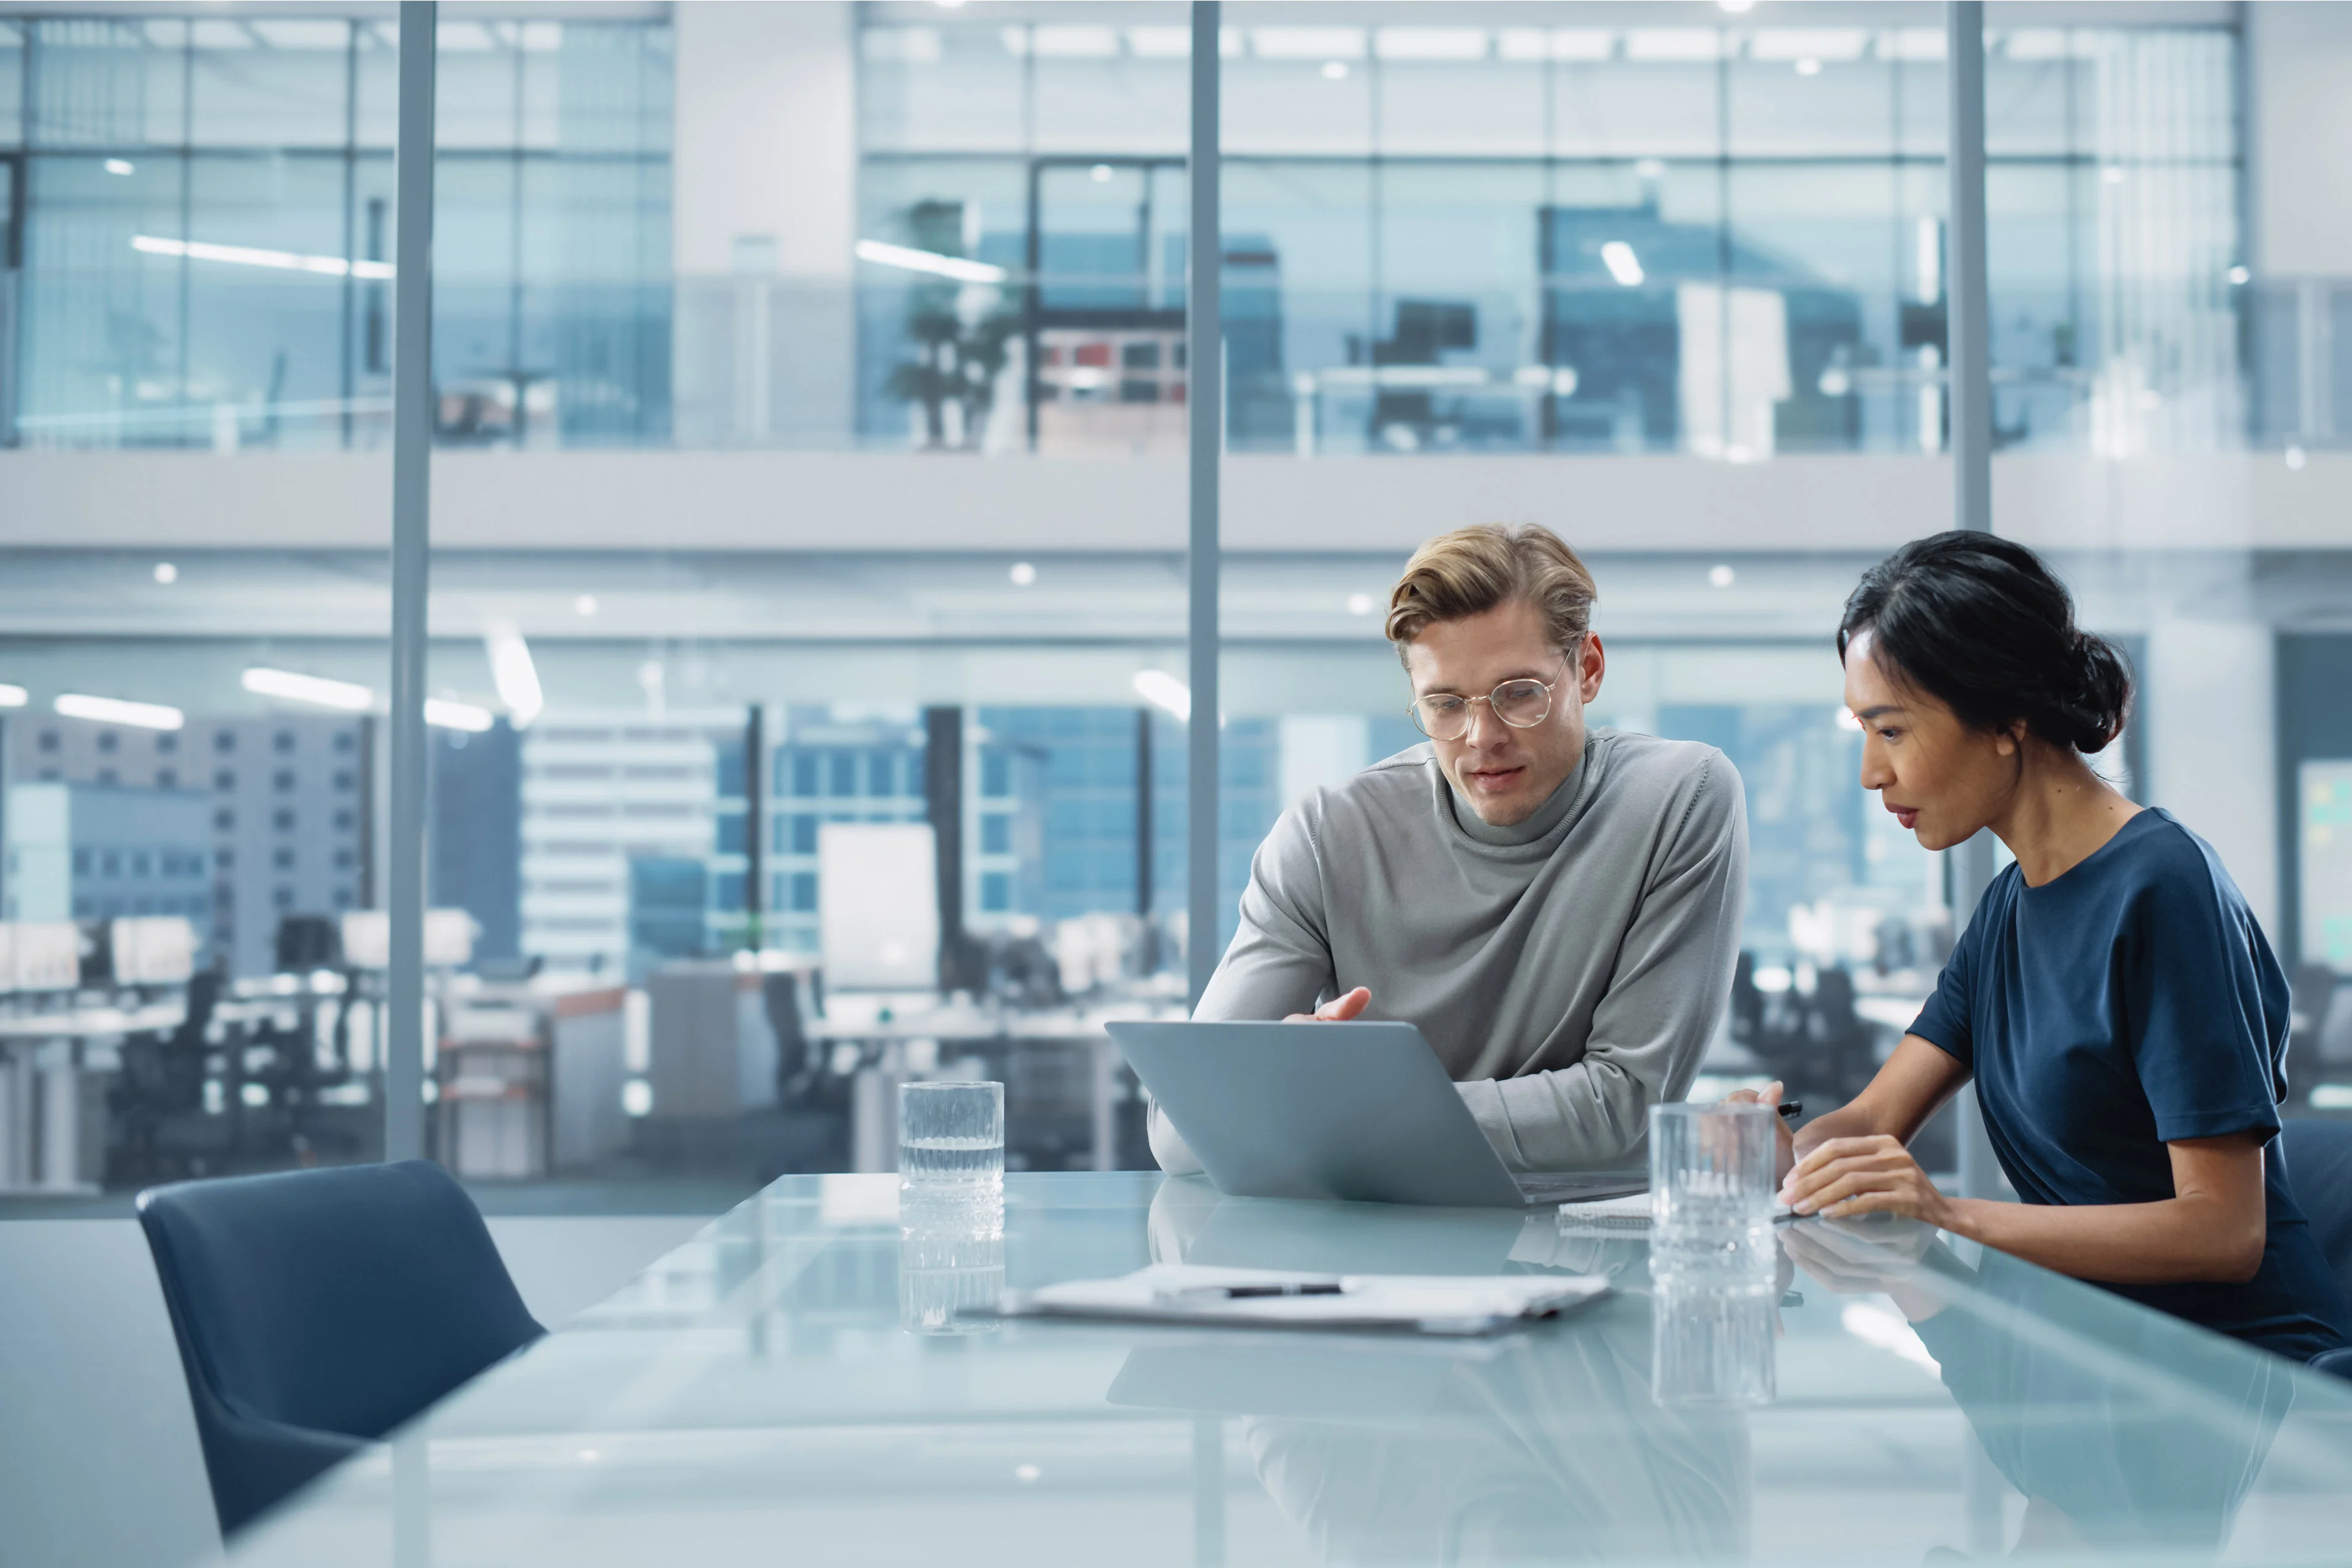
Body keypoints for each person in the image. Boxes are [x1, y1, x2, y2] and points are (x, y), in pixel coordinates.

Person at [1760, 530, 2351, 1362]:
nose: (1870, 773)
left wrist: (1949, 1214)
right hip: (2092, 1346)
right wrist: (1785, 1152)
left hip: (2238, 1370)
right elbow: (1870, 1120)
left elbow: (2225, 1230)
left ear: (2005, 719)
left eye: (1891, 732)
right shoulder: (2009, 908)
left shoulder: (2162, 889)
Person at [1150, 522, 1748, 1175]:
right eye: (1444, 704)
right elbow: (1182, 1128)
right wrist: (1295, 1088)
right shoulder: (1327, 834)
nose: (1481, 736)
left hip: (1586, 1249)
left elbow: (1626, 1111)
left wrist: (1332, 1112)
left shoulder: (1680, 799)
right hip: (1370, 1257)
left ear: (1590, 669)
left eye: (1520, 693)